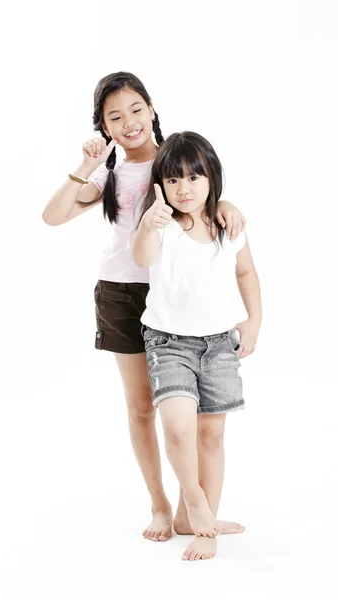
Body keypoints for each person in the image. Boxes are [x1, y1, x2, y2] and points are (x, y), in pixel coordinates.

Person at [42, 73, 246, 543]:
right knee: (141, 409)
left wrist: (228, 201)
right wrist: (84, 163)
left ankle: (192, 511)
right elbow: (53, 217)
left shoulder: (176, 160)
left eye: (136, 109)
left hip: (176, 300)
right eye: (115, 117)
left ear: (151, 108)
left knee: (194, 413)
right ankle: (160, 505)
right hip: (121, 293)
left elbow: (206, 189)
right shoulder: (108, 174)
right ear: (104, 127)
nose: (129, 122)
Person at [132, 131, 262, 560]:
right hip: (169, 343)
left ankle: (200, 522)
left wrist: (254, 320)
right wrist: (151, 222)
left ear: (212, 178)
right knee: (177, 428)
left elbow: (246, 273)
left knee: (211, 435)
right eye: (172, 181)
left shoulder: (228, 225)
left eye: (193, 178)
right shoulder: (163, 226)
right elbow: (143, 257)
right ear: (161, 186)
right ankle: (197, 507)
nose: (183, 188)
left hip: (220, 344)